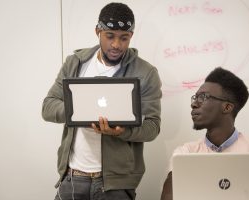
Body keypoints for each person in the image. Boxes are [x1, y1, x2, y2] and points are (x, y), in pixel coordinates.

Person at [42, 2, 162, 200]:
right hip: (72, 177)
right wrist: (79, 108)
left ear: (131, 35)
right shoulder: (75, 63)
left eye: (124, 38)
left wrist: (123, 131)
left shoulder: (146, 73)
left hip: (115, 185)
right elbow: (48, 107)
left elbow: (152, 127)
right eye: (110, 36)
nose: (116, 45)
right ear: (98, 31)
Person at [160, 67, 249, 200]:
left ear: (227, 107)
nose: (194, 104)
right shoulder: (184, 153)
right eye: (195, 97)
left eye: (203, 97)